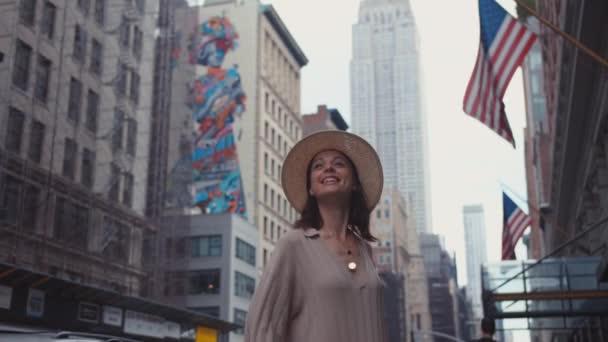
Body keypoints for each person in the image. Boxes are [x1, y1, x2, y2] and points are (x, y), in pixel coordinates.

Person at [244, 130, 388, 342]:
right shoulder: (293, 245)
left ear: (355, 183)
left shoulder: (365, 250)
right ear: (310, 188)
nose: (328, 168)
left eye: (339, 163)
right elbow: (262, 327)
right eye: (318, 166)